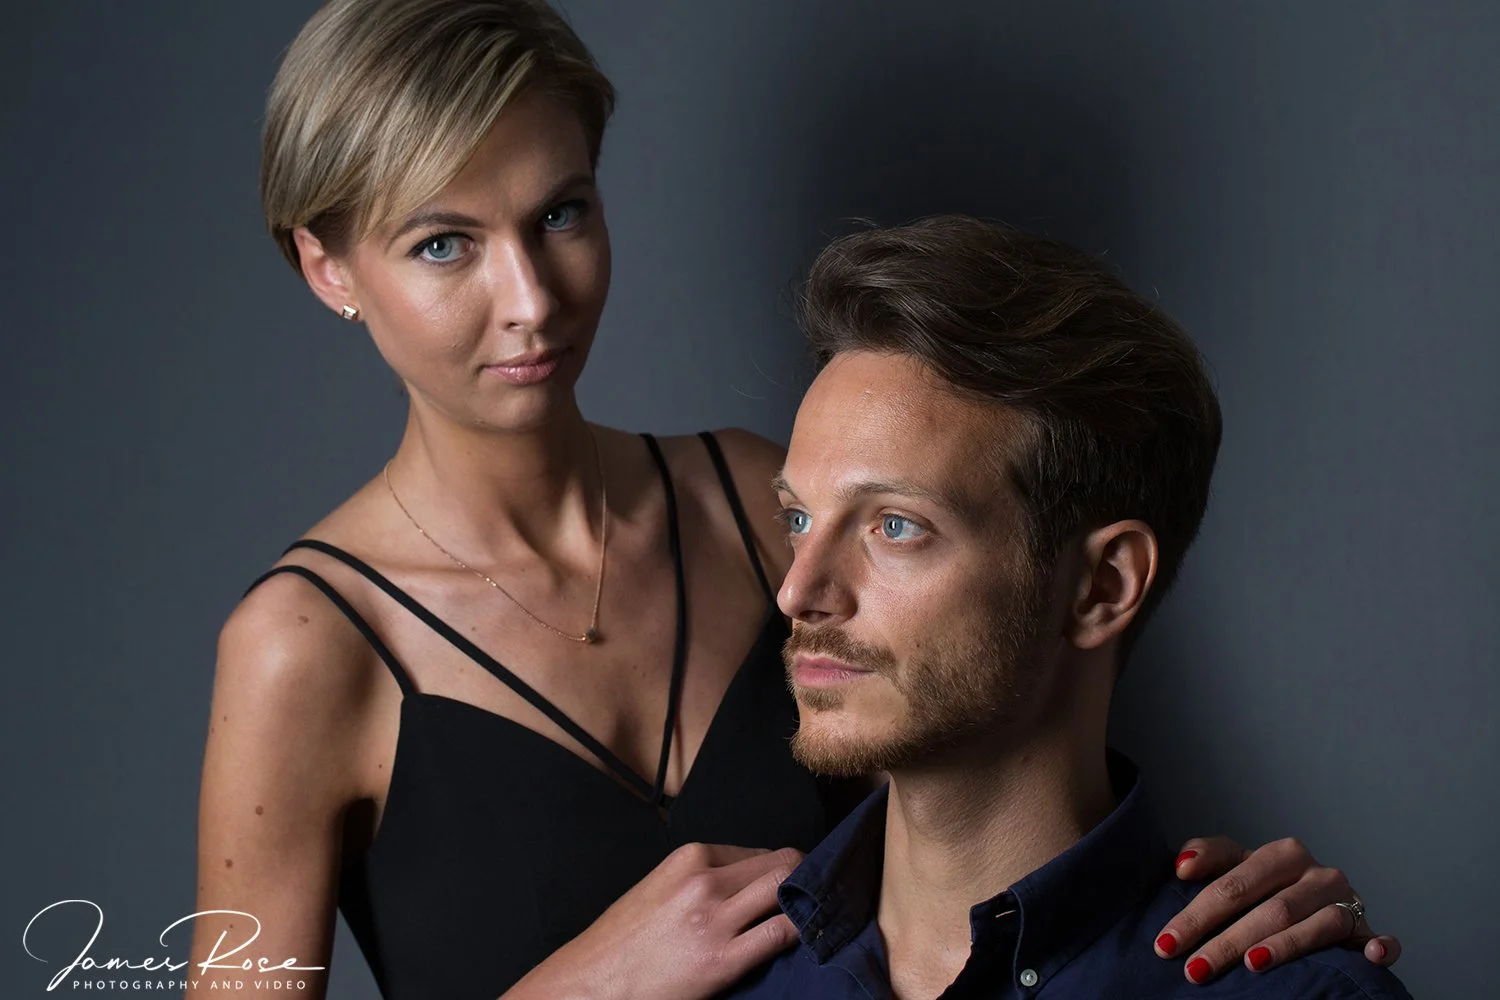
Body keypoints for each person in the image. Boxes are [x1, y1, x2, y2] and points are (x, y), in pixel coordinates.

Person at [187, 2, 1402, 998]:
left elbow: (986, 824)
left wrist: (1214, 914)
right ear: (327, 265)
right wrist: (581, 991)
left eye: (560, 214)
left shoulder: (762, 508)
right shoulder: (303, 648)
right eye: (444, 244)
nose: (532, 299)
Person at [725, 215, 1412, 999]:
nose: (798, 592)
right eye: (798, 519)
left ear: (1102, 586)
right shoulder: (721, 979)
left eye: (896, 526)